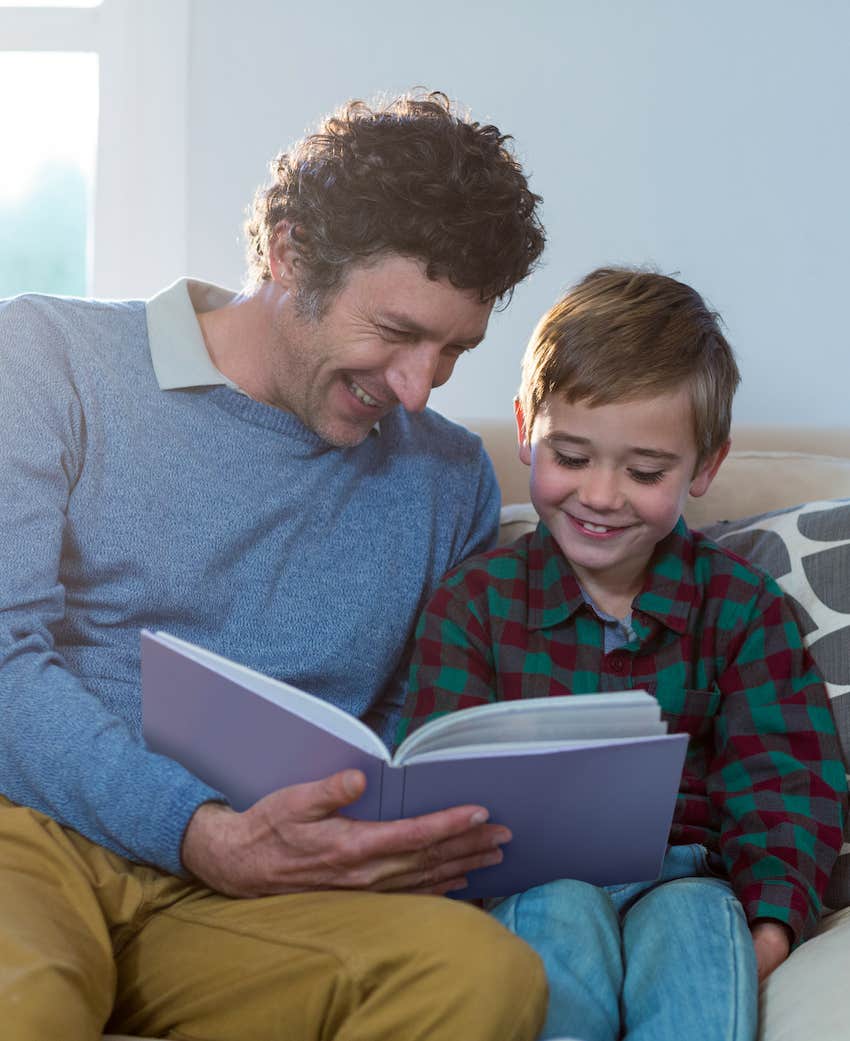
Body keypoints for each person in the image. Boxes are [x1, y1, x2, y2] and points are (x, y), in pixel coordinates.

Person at [0, 92, 549, 1040]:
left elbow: (401, 729)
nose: (418, 387)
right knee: (27, 1000)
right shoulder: (47, 357)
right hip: (34, 833)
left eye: (453, 349)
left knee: (479, 974)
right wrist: (198, 831)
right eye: (397, 331)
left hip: (255, 889)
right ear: (288, 256)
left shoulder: (446, 477)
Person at [399, 267, 848, 1041]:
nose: (602, 495)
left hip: (689, 875)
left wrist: (770, 926)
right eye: (571, 457)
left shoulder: (742, 609)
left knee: (698, 929)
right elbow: (442, 786)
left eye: (644, 472)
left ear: (704, 466)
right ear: (525, 429)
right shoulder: (471, 604)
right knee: (559, 913)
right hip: (533, 879)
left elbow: (783, 782)